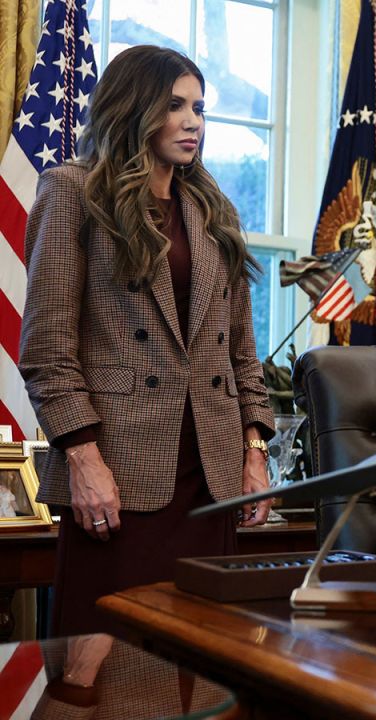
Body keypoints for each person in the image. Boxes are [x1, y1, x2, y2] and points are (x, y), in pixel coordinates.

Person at [18, 46, 276, 635]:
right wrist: (83, 460)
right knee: (110, 667)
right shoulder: (73, 192)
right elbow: (49, 351)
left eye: (200, 109)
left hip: (211, 476)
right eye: (175, 105)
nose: (193, 122)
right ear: (133, 108)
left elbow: (239, 349)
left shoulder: (215, 210)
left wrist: (254, 450)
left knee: (206, 661)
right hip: (117, 473)